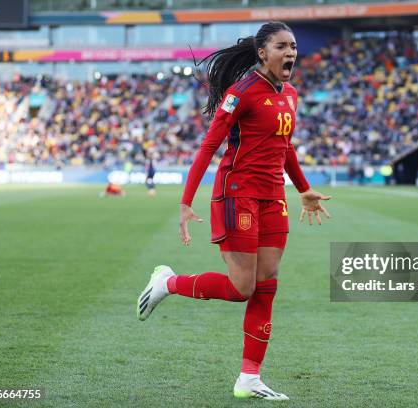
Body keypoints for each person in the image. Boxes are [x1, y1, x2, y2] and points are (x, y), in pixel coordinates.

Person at [136, 22, 331, 401]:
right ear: (262, 52)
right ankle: (168, 282)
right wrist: (185, 202)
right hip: (236, 194)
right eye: (282, 46)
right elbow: (209, 147)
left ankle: (249, 378)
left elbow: (285, 147)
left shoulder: (289, 93)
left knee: (267, 282)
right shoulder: (240, 93)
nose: (290, 52)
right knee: (243, 288)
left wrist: (304, 190)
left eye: (293, 46)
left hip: (273, 198)